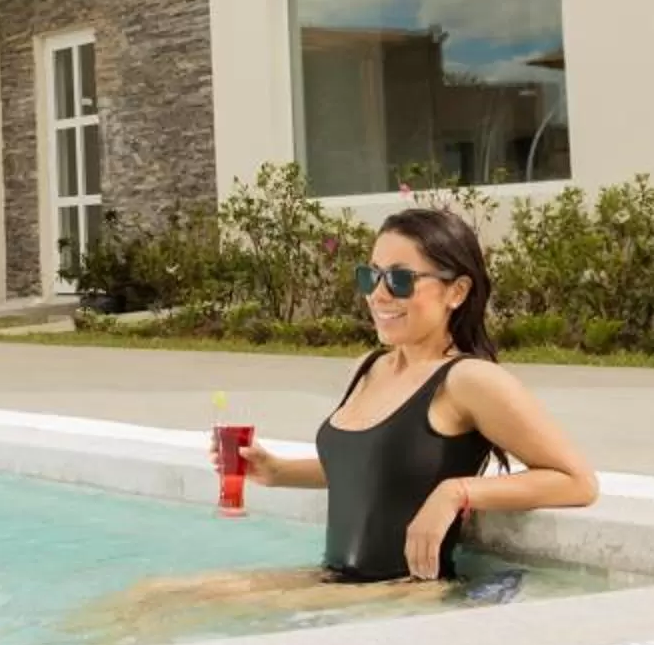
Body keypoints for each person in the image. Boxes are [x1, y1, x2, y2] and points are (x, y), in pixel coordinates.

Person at [223, 206, 599, 582]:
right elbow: (376, 468)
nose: (378, 294)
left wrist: (456, 492)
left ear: (457, 291)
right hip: (338, 580)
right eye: (371, 276)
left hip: (400, 591)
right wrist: (277, 470)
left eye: (400, 280)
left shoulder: (468, 380)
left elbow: (577, 481)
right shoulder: (368, 368)